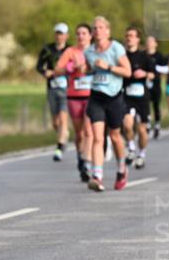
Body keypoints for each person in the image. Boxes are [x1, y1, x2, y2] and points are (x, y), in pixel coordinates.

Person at [82, 16, 132, 191]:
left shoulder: (116, 48)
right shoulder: (89, 52)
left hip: (114, 98)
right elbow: (89, 69)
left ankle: (121, 169)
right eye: (94, 28)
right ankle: (97, 176)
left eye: (101, 28)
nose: (97, 31)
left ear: (108, 31)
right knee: (97, 137)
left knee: (115, 137)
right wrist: (86, 70)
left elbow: (128, 71)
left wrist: (108, 67)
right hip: (96, 97)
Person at [55, 23, 94, 182]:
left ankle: (88, 163)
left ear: (90, 35)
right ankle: (80, 158)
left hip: (92, 96)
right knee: (79, 134)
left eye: (84, 33)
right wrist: (70, 68)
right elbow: (57, 70)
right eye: (78, 33)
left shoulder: (95, 51)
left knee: (88, 131)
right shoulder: (70, 51)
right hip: (74, 96)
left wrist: (90, 67)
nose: (81, 36)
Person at [121, 26, 154, 169]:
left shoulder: (144, 56)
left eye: (132, 35)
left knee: (141, 130)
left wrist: (145, 74)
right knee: (127, 124)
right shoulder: (121, 56)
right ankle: (131, 147)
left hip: (142, 97)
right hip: (127, 95)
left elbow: (153, 74)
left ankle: (142, 154)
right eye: (127, 35)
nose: (129, 38)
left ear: (138, 39)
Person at [36, 23, 70, 161]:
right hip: (52, 88)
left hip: (67, 90)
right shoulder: (47, 49)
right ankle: (64, 135)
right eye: (57, 33)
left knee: (63, 119)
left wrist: (63, 72)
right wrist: (45, 72)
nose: (59, 36)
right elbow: (38, 66)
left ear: (67, 35)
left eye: (62, 33)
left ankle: (59, 148)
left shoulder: (70, 50)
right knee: (55, 122)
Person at [145, 34, 168, 138]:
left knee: (155, 105)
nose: (149, 43)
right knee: (146, 105)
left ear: (155, 44)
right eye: (147, 41)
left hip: (156, 84)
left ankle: (157, 124)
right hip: (145, 84)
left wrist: (155, 69)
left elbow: (166, 69)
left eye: (151, 41)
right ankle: (148, 124)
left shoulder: (159, 56)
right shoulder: (143, 55)